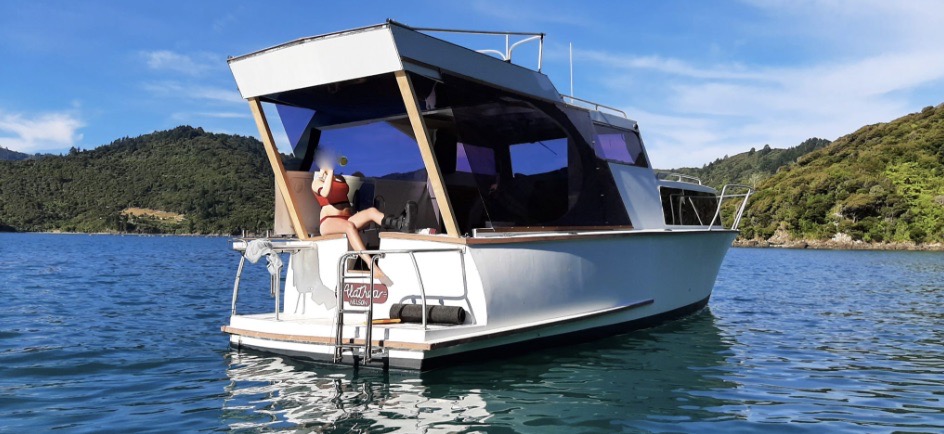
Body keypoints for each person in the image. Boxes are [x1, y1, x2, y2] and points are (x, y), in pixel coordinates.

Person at [311, 166, 415, 286]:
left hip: (347, 218)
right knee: (349, 226)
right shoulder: (317, 182)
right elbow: (325, 193)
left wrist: (333, 175)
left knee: (371, 212)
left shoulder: (339, 178)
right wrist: (328, 173)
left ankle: (401, 224)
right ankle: (371, 265)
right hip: (329, 221)